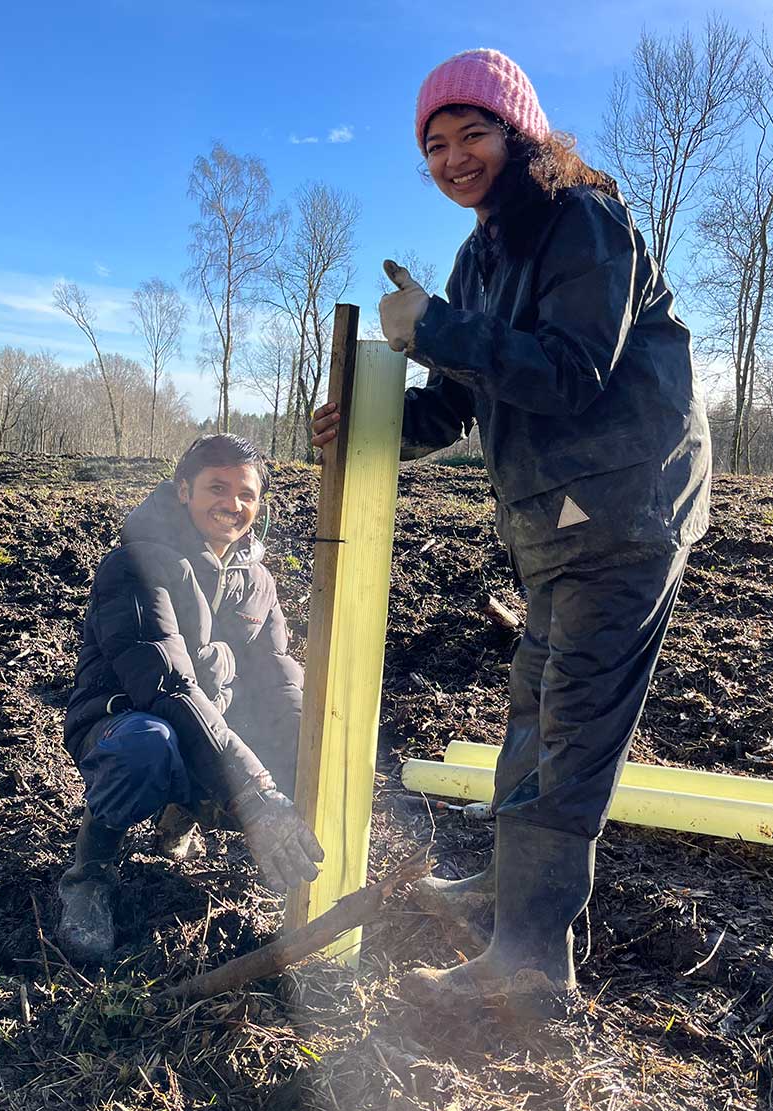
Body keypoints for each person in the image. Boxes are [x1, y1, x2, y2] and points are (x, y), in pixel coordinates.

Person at [312, 48, 711, 1014]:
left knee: (570, 728)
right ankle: (505, 893)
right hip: (555, 526)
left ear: (519, 132)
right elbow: (458, 403)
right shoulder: (481, 254)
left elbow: (569, 370)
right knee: (534, 703)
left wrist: (439, 327)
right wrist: (370, 427)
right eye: (435, 145)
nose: (454, 158)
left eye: (472, 134)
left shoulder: (581, 220)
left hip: (621, 512)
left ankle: (529, 964)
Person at [58, 434, 323, 964]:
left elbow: (278, 678)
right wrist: (254, 789)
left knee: (294, 735)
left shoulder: (258, 579)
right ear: (183, 490)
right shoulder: (137, 565)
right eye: (217, 488)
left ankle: (184, 813)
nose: (233, 504)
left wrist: (307, 751)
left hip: (208, 724)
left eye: (246, 493)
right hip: (122, 723)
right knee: (148, 745)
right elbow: (166, 686)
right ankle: (90, 868)